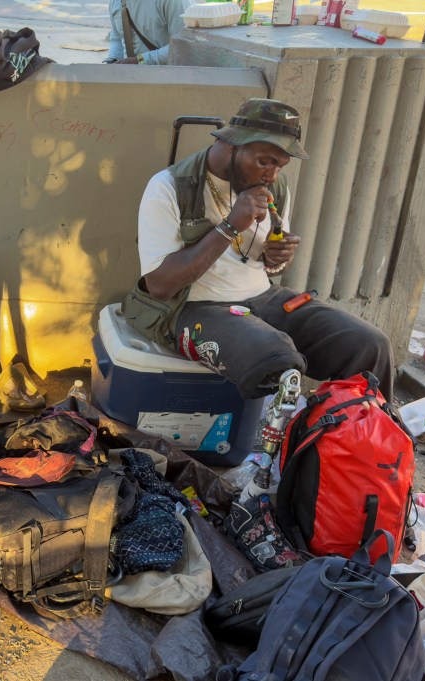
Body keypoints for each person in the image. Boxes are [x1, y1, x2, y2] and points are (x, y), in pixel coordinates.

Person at [122, 98, 394, 400]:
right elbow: (160, 286)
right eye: (265, 161)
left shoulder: (275, 187)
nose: (272, 175)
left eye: (280, 165)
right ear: (230, 145)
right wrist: (229, 225)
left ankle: (355, 438)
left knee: (369, 344)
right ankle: (292, 439)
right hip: (195, 307)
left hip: (264, 297)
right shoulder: (170, 187)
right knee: (276, 359)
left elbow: (267, 263)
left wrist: (276, 258)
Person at [107, 0, 199, 65]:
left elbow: (185, 46)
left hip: (168, 78)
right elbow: (117, 38)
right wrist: (113, 60)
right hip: (131, 79)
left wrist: (141, 60)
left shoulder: (174, 2)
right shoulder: (115, 2)